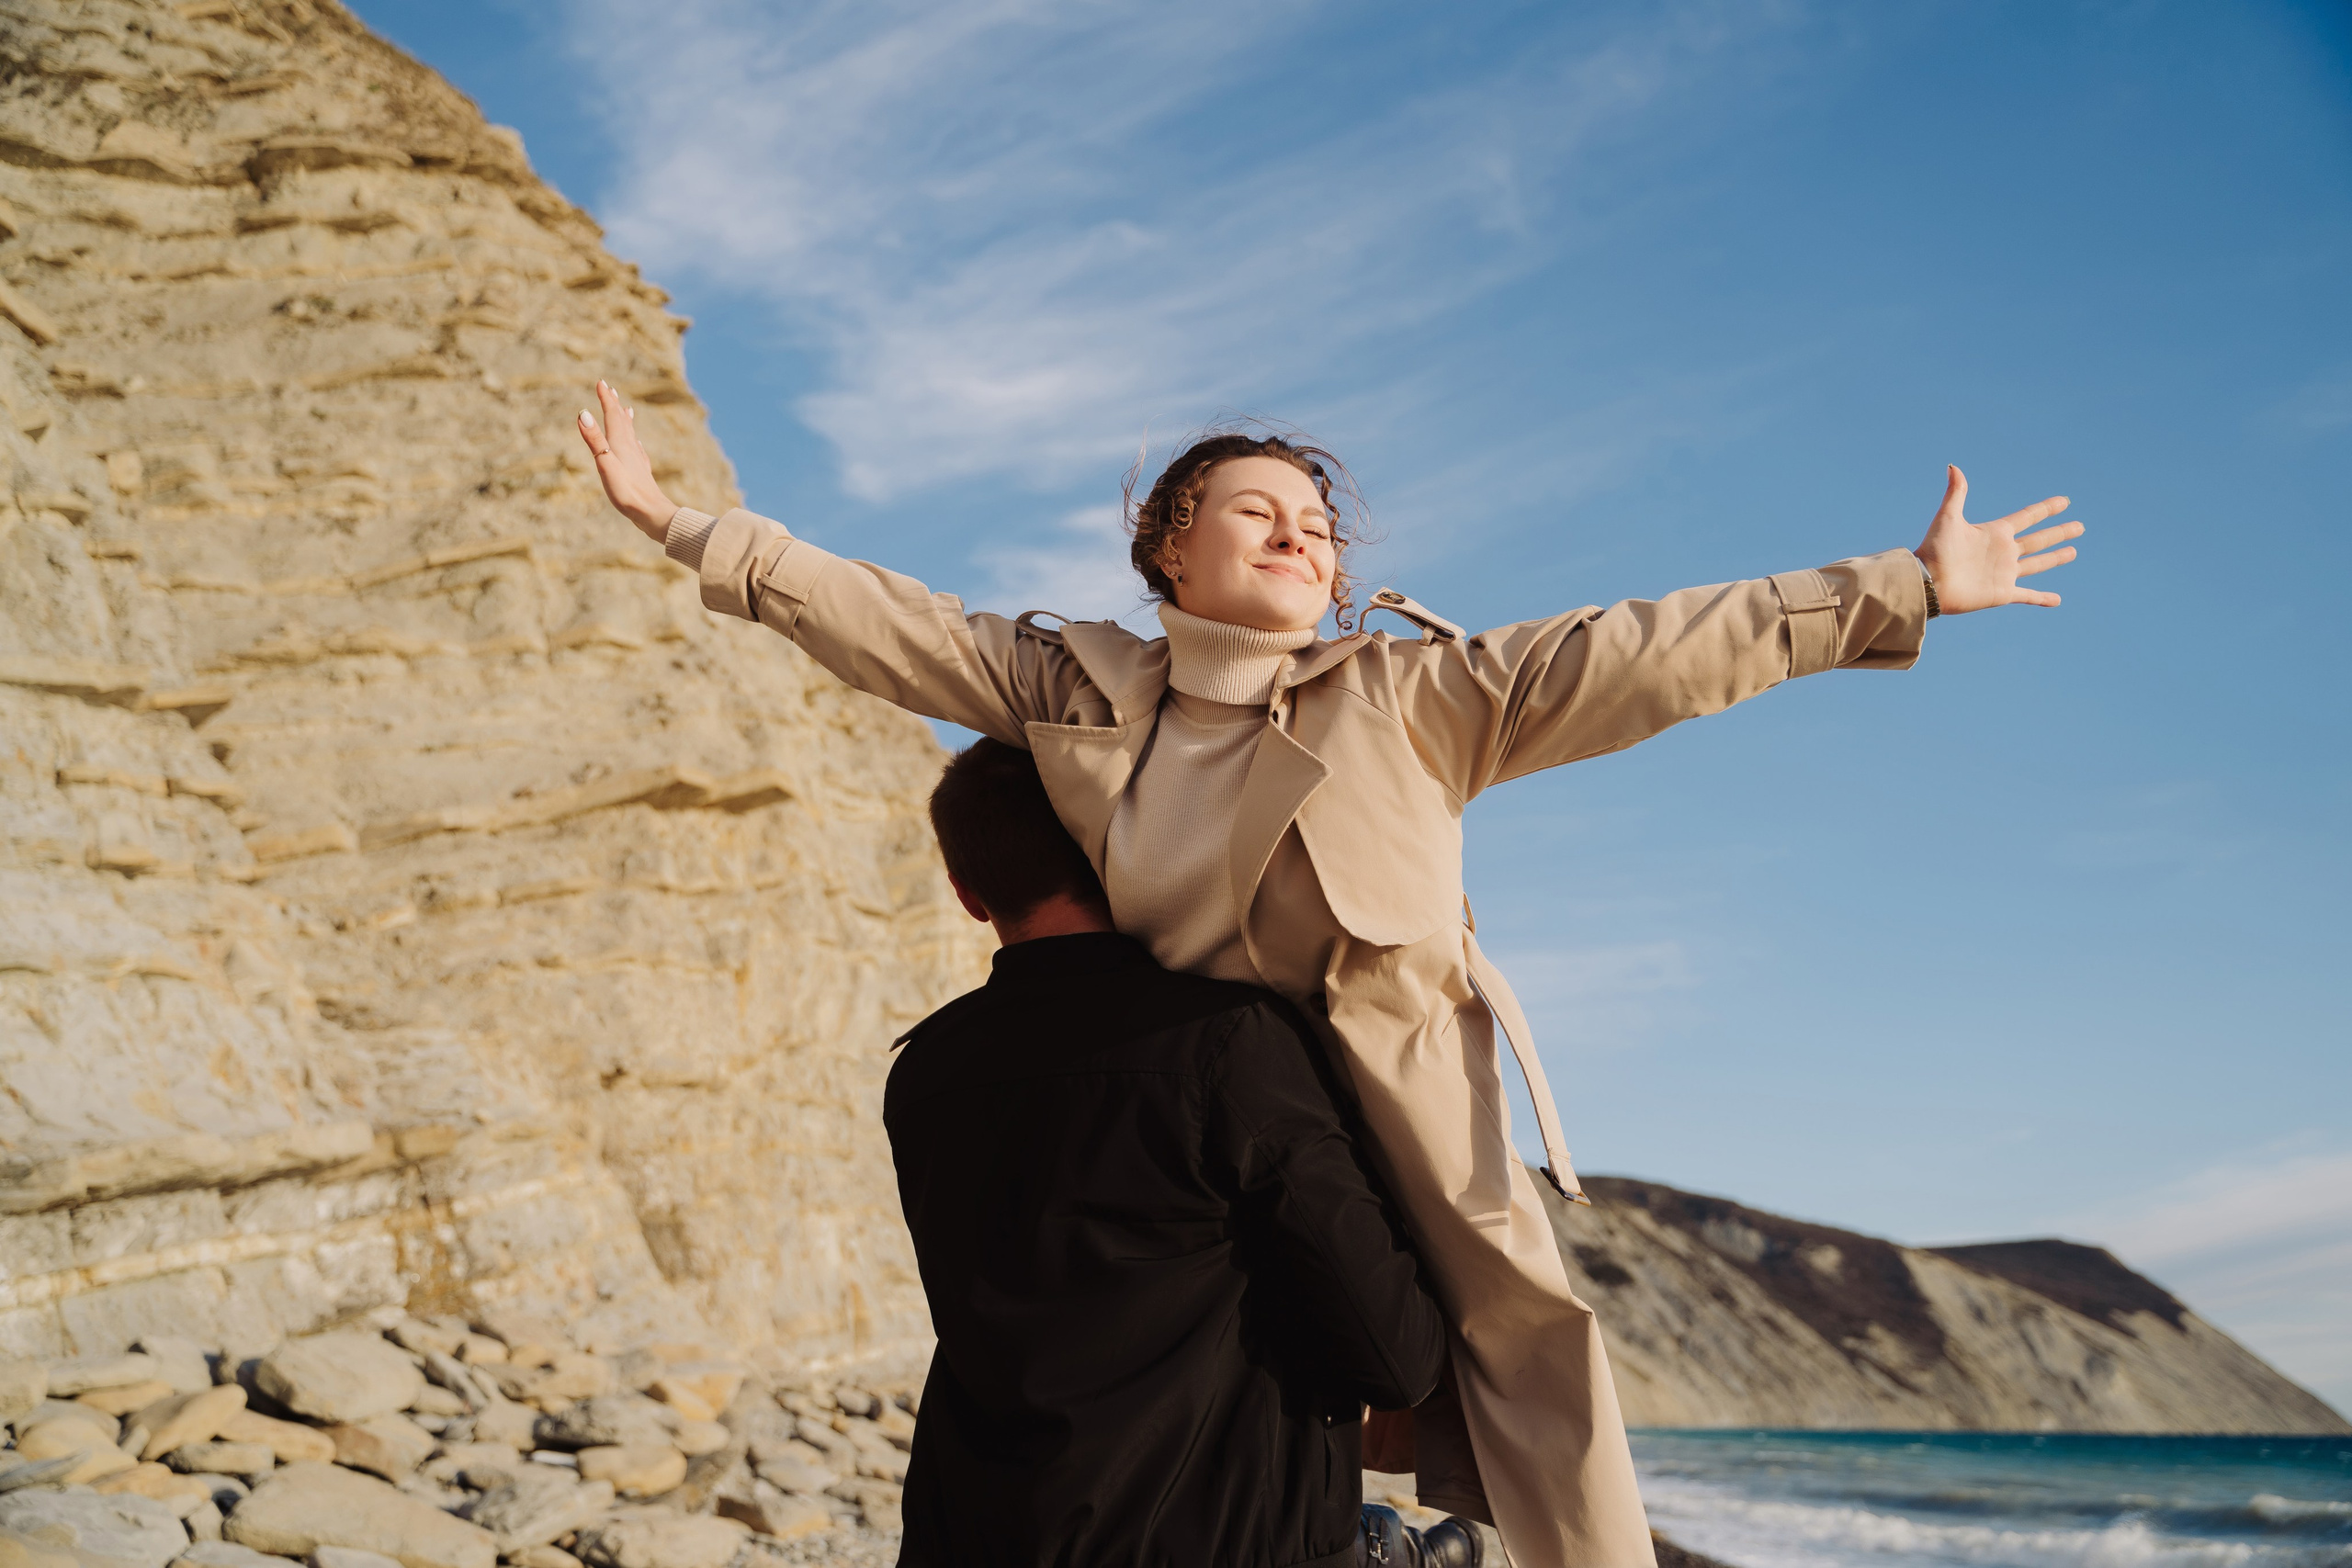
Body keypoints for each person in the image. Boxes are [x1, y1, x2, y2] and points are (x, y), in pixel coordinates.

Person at [579, 385, 2083, 1568]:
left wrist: (1901, 587)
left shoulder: (1417, 694)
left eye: (1319, 521)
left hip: (1405, 1100)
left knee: (1538, 1368)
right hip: (1209, 1096)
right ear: (1170, 548)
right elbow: (892, 626)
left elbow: (1651, 649)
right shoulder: (1080, 690)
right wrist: (678, 524)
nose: (1304, 536)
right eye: (1258, 511)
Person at [892, 736, 1471, 1565]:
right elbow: (1395, 1354)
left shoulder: (923, 1071)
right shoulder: (1226, 1042)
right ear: (1119, 843)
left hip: (977, 1533)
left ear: (968, 895)